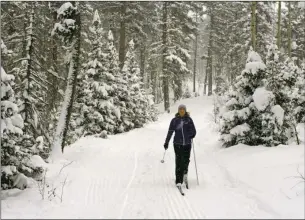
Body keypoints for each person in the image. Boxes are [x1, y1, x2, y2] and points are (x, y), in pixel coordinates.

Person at [163, 104, 196, 189]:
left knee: (186, 160)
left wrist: (192, 134)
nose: (181, 110)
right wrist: (166, 142)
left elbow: (193, 131)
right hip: (177, 144)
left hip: (187, 144)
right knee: (179, 161)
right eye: (180, 109)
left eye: (183, 109)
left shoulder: (189, 120)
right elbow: (170, 132)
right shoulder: (174, 120)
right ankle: (178, 180)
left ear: (185, 111)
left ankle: (185, 173)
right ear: (178, 110)